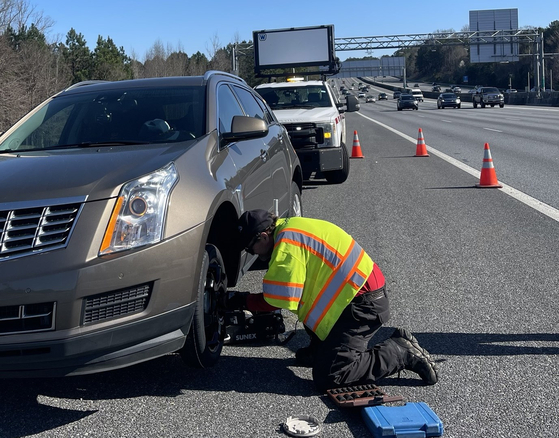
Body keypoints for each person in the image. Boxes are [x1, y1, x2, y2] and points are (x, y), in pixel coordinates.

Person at [230, 209, 438, 392]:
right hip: (354, 295)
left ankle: (400, 351)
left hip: (363, 305)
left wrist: (242, 300)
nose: (252, 254)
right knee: (314, 302)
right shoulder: (291, 227)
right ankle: (320, 350)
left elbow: (278, 299)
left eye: (250, 248)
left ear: (264, 237)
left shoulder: (287, 247)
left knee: (332, 377)